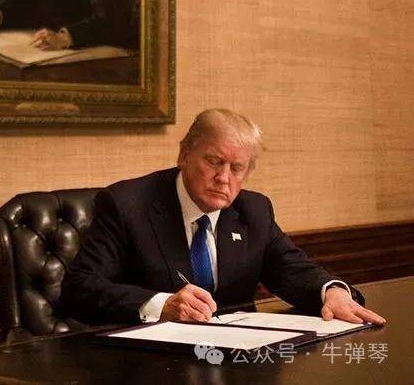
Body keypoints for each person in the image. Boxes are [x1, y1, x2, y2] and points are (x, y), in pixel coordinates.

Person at [61, 109, 387, 326]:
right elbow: (79, 289)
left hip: (236, 363)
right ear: (184, 154)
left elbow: (292, 269)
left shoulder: (254, 210)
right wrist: (161, 306)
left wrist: (331, 292)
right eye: (214, 162)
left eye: (236, 168)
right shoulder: (126, 205)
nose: (224, 178)